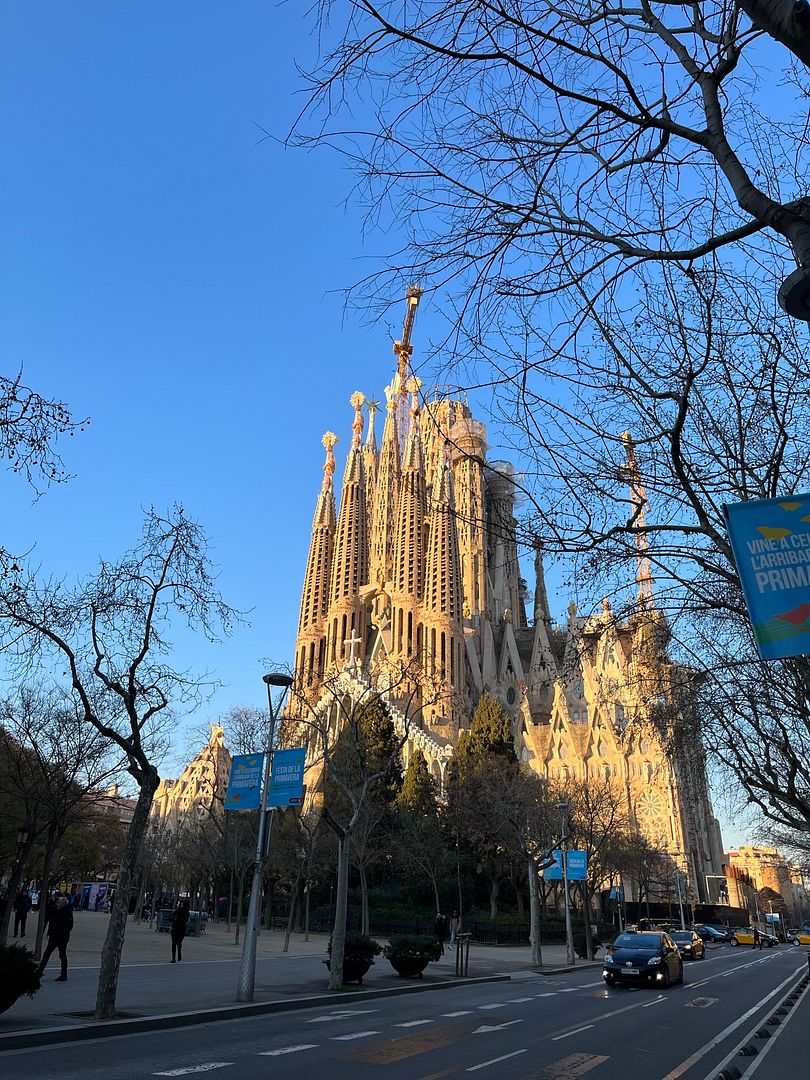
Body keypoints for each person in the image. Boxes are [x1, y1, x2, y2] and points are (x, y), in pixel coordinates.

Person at [38, 895, 74, 981]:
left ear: (63, 904)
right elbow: (49, 914)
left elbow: (69, 926)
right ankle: (39, 972)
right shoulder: (56, 910)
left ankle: (63, 974)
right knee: (48, 954)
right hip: (54, 936)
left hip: (61, 937)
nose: (57, 903)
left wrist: (59, 932)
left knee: (61, 955)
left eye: (59, 902)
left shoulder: (67, 912)